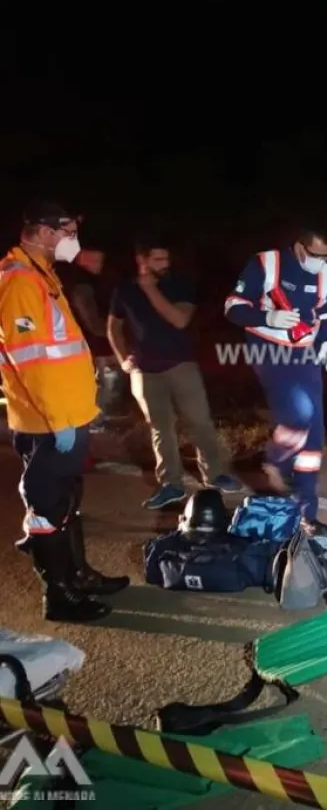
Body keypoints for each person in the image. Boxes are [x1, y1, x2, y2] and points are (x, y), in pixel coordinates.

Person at [0, 200, 129, 622]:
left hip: (70, 415)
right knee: (47, 505)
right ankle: (59, 595)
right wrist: (58, 421)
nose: (74, 240)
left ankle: (78, 576)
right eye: (67, 231)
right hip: (49, 422)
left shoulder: (42, 274)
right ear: (42, 232)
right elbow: (30, 361)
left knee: (68, 499)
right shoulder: (20, 282)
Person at [108, 236, 244, 510]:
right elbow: (113, 326)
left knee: (200, 421)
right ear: (141, 260)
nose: (164, 264)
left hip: (181, 364)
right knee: (161, 429)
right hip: (144, 371)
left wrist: (151, 290)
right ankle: (172, 484)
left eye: (166, 259)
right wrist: (123, 360)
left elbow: (179, 320)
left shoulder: (179, 284)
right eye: (157, 259)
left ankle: (214, 474)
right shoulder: (124, 290)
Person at [224, 222, 327, 536]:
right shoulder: (265, 264)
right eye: (316, 254)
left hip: (305, 354)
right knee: (298, 415)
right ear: (300, 248)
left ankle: (305, 515)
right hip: (270, 351)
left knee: (313, 437)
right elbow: (233, 307)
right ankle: (275, 460)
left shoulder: (324, 274)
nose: (321, 262)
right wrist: (267, 317)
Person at [56, 250, 126, 434]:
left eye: (101, 260)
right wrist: (111, 335)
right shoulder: (82, 283)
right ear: (82, 259)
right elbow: (90, 319)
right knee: (105, 381)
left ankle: (98, 419)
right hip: (96, 344)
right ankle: (95, 422)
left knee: (104, 381)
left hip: (92, 343)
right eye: (95, 259)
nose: (99, 264)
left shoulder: (84, 281)